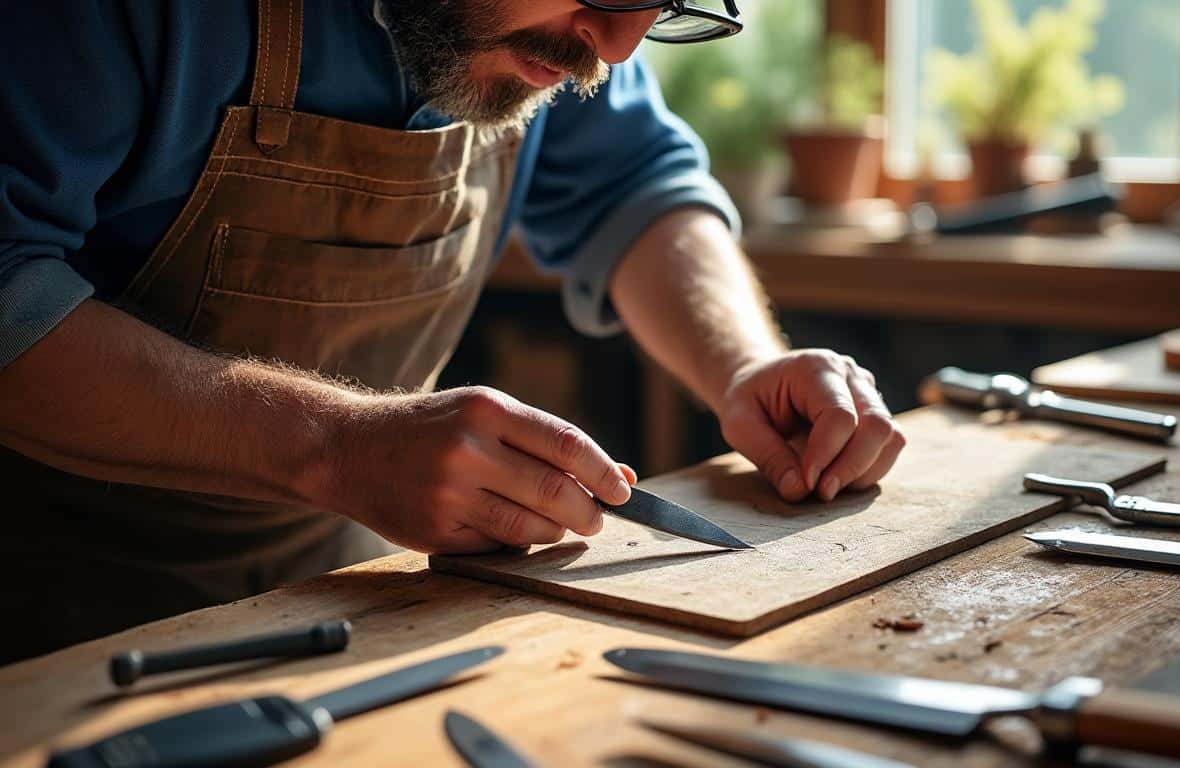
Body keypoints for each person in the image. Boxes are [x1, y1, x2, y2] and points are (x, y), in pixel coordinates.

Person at [0, 0, 905, 662]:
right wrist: (333, 445)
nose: (618, 45)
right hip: (51, 630)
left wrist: (745, 362)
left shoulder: (571, 27)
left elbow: (633, 185)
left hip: (336, 607)